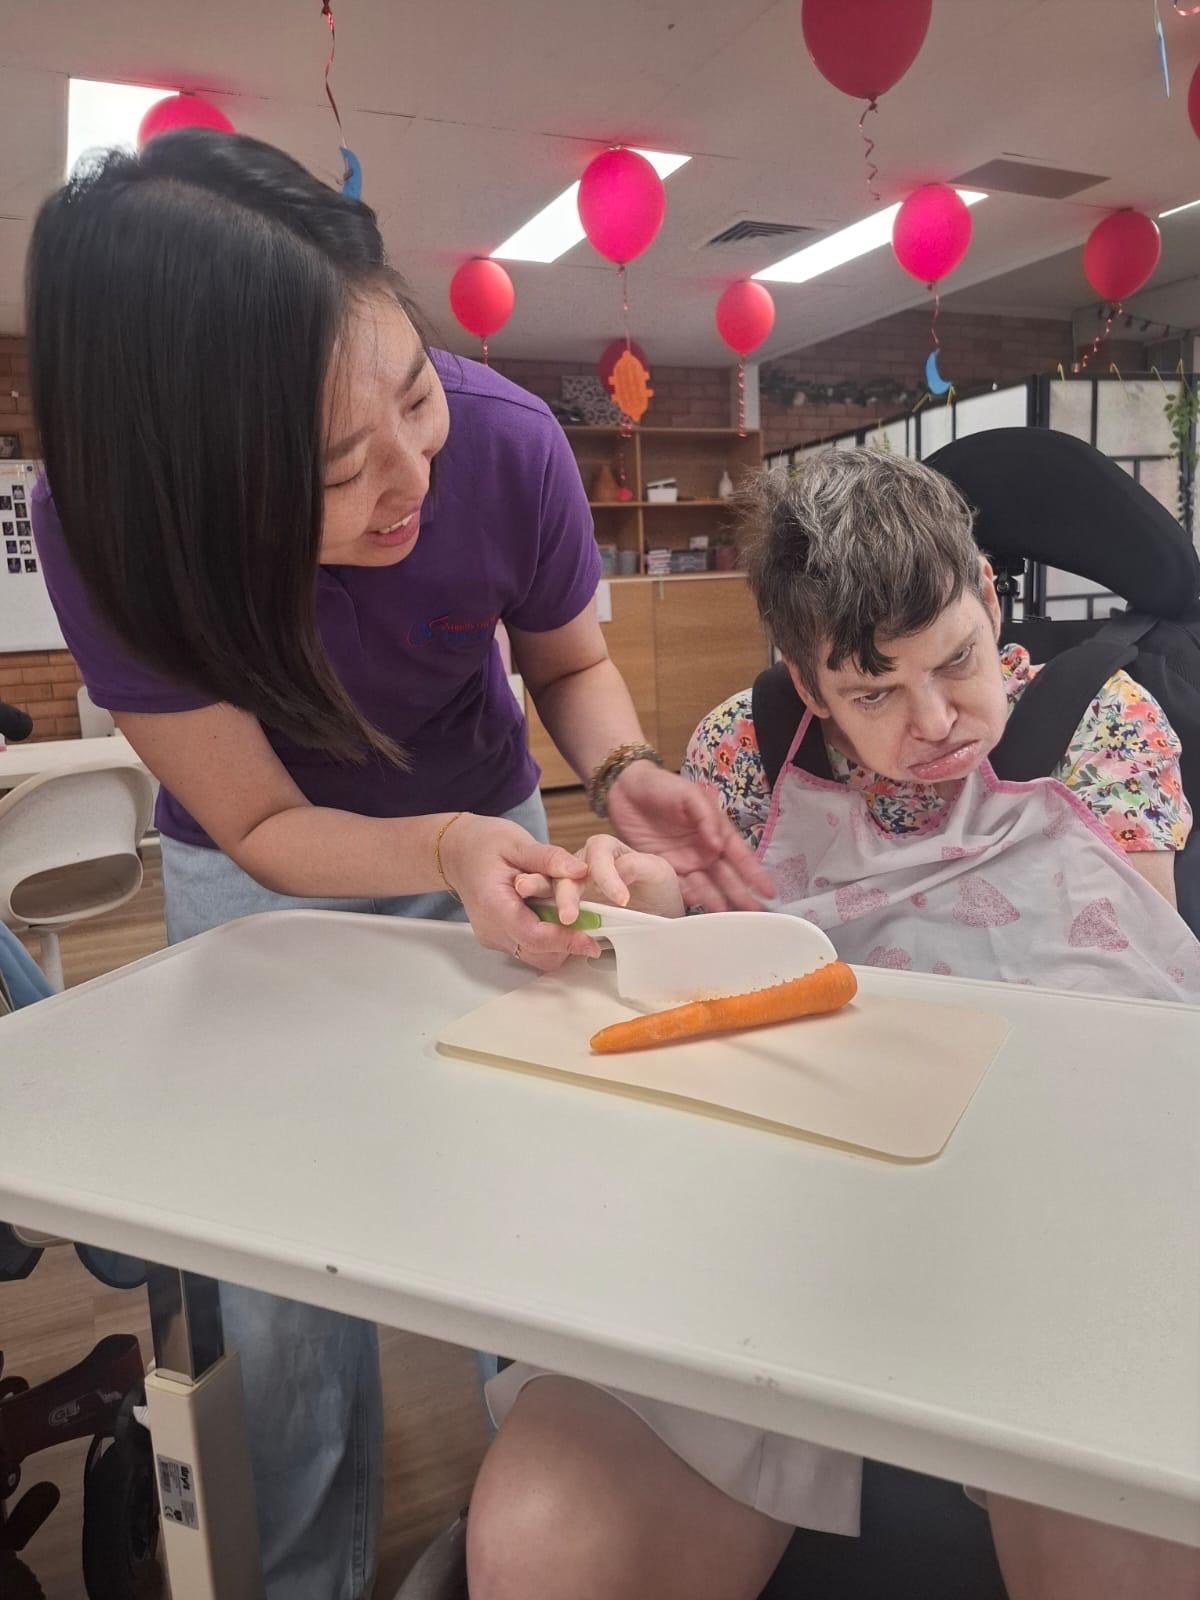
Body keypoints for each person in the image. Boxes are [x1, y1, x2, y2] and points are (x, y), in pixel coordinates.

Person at [25, 130, 769, 1600]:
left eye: (415, 396)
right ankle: (311, 1572)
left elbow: (568, 665)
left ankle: (534, 1539)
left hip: (496, 830)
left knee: (532, 1212)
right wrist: (433, 844)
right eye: (336, 469)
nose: (409, 474)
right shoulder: (108, 532)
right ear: (188, 489)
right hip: (263, 885)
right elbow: (256, 824)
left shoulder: (504, 441)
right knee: (285, 1283)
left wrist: (623, 771)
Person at [466, 450, 1200, 1600]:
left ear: (990, 597)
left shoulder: (1101, 727)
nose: (936, 720)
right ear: (804, 684)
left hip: (1049, 1229)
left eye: (956, 660)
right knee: (541, 1540)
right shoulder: (745, 752)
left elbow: (1140, 1016)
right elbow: (707, 983)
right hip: (783, 1224)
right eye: (873, 692)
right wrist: (642, 912)